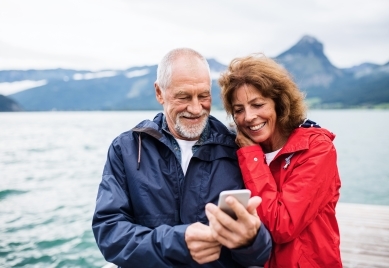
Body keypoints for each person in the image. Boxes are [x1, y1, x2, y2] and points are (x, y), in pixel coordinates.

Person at [92, 48, 272, 268]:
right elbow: (109, 233)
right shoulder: (127, 148)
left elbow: (261, 253)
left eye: (204, 96)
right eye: (184, 97)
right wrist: (177, 242)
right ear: (159, 93)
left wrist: (251, 239)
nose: (196, 108)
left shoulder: (238, 148)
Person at [217, 54, 342, 267]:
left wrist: (252, 157)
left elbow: (282, 225)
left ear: (279, 103)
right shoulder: (239, 150)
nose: (248, 117)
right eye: (239, 110)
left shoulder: (316, 148)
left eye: (257, 104)